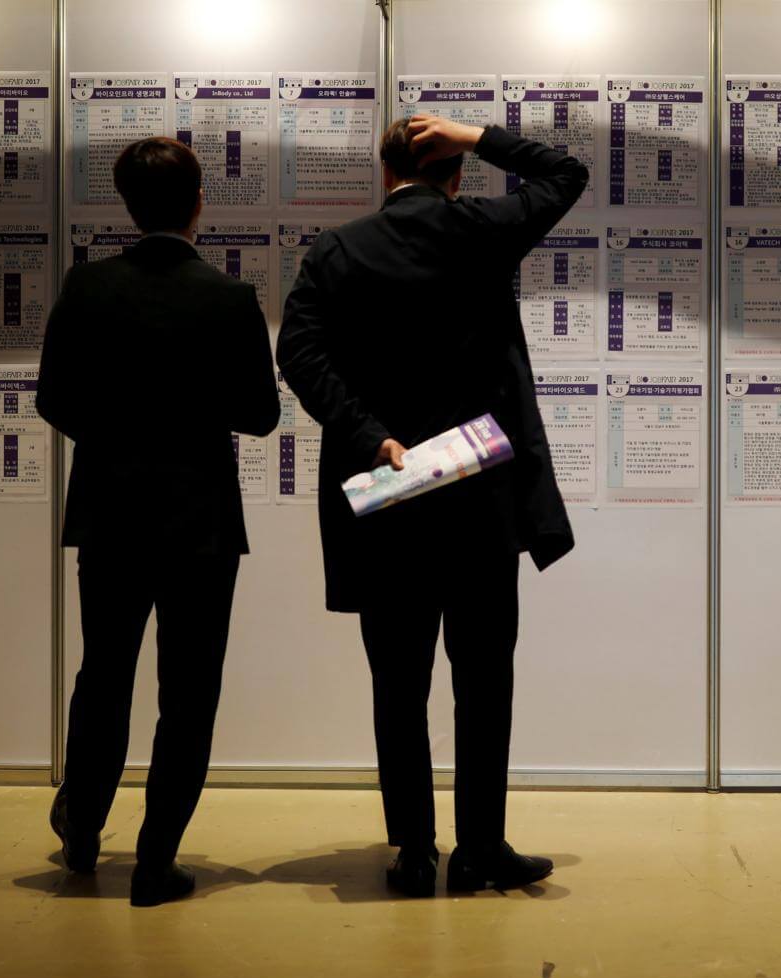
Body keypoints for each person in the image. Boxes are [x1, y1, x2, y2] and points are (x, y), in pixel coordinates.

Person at [277, 115, 586, 896]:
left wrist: (368, 434)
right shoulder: (481, 231)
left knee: (398, 682)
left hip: (388, 498)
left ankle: (415, 853)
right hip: (480, 497)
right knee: (484, 681)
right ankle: (480, 848)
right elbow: (566, 174)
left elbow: (299, 353)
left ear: (385, 176)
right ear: (455, 174)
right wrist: (475, 133)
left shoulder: (338, 250)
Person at [36, 137, 279, 907]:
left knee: (103, 676)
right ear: (199, 202)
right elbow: (261, 415)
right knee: (189, 692)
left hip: (108, 511)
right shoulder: (229, 299)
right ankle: (155, 861)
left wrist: (114, 437)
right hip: (200, 521)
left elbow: (52, 398)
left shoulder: (88, 286)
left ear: (128, 206)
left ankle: (81, 832)